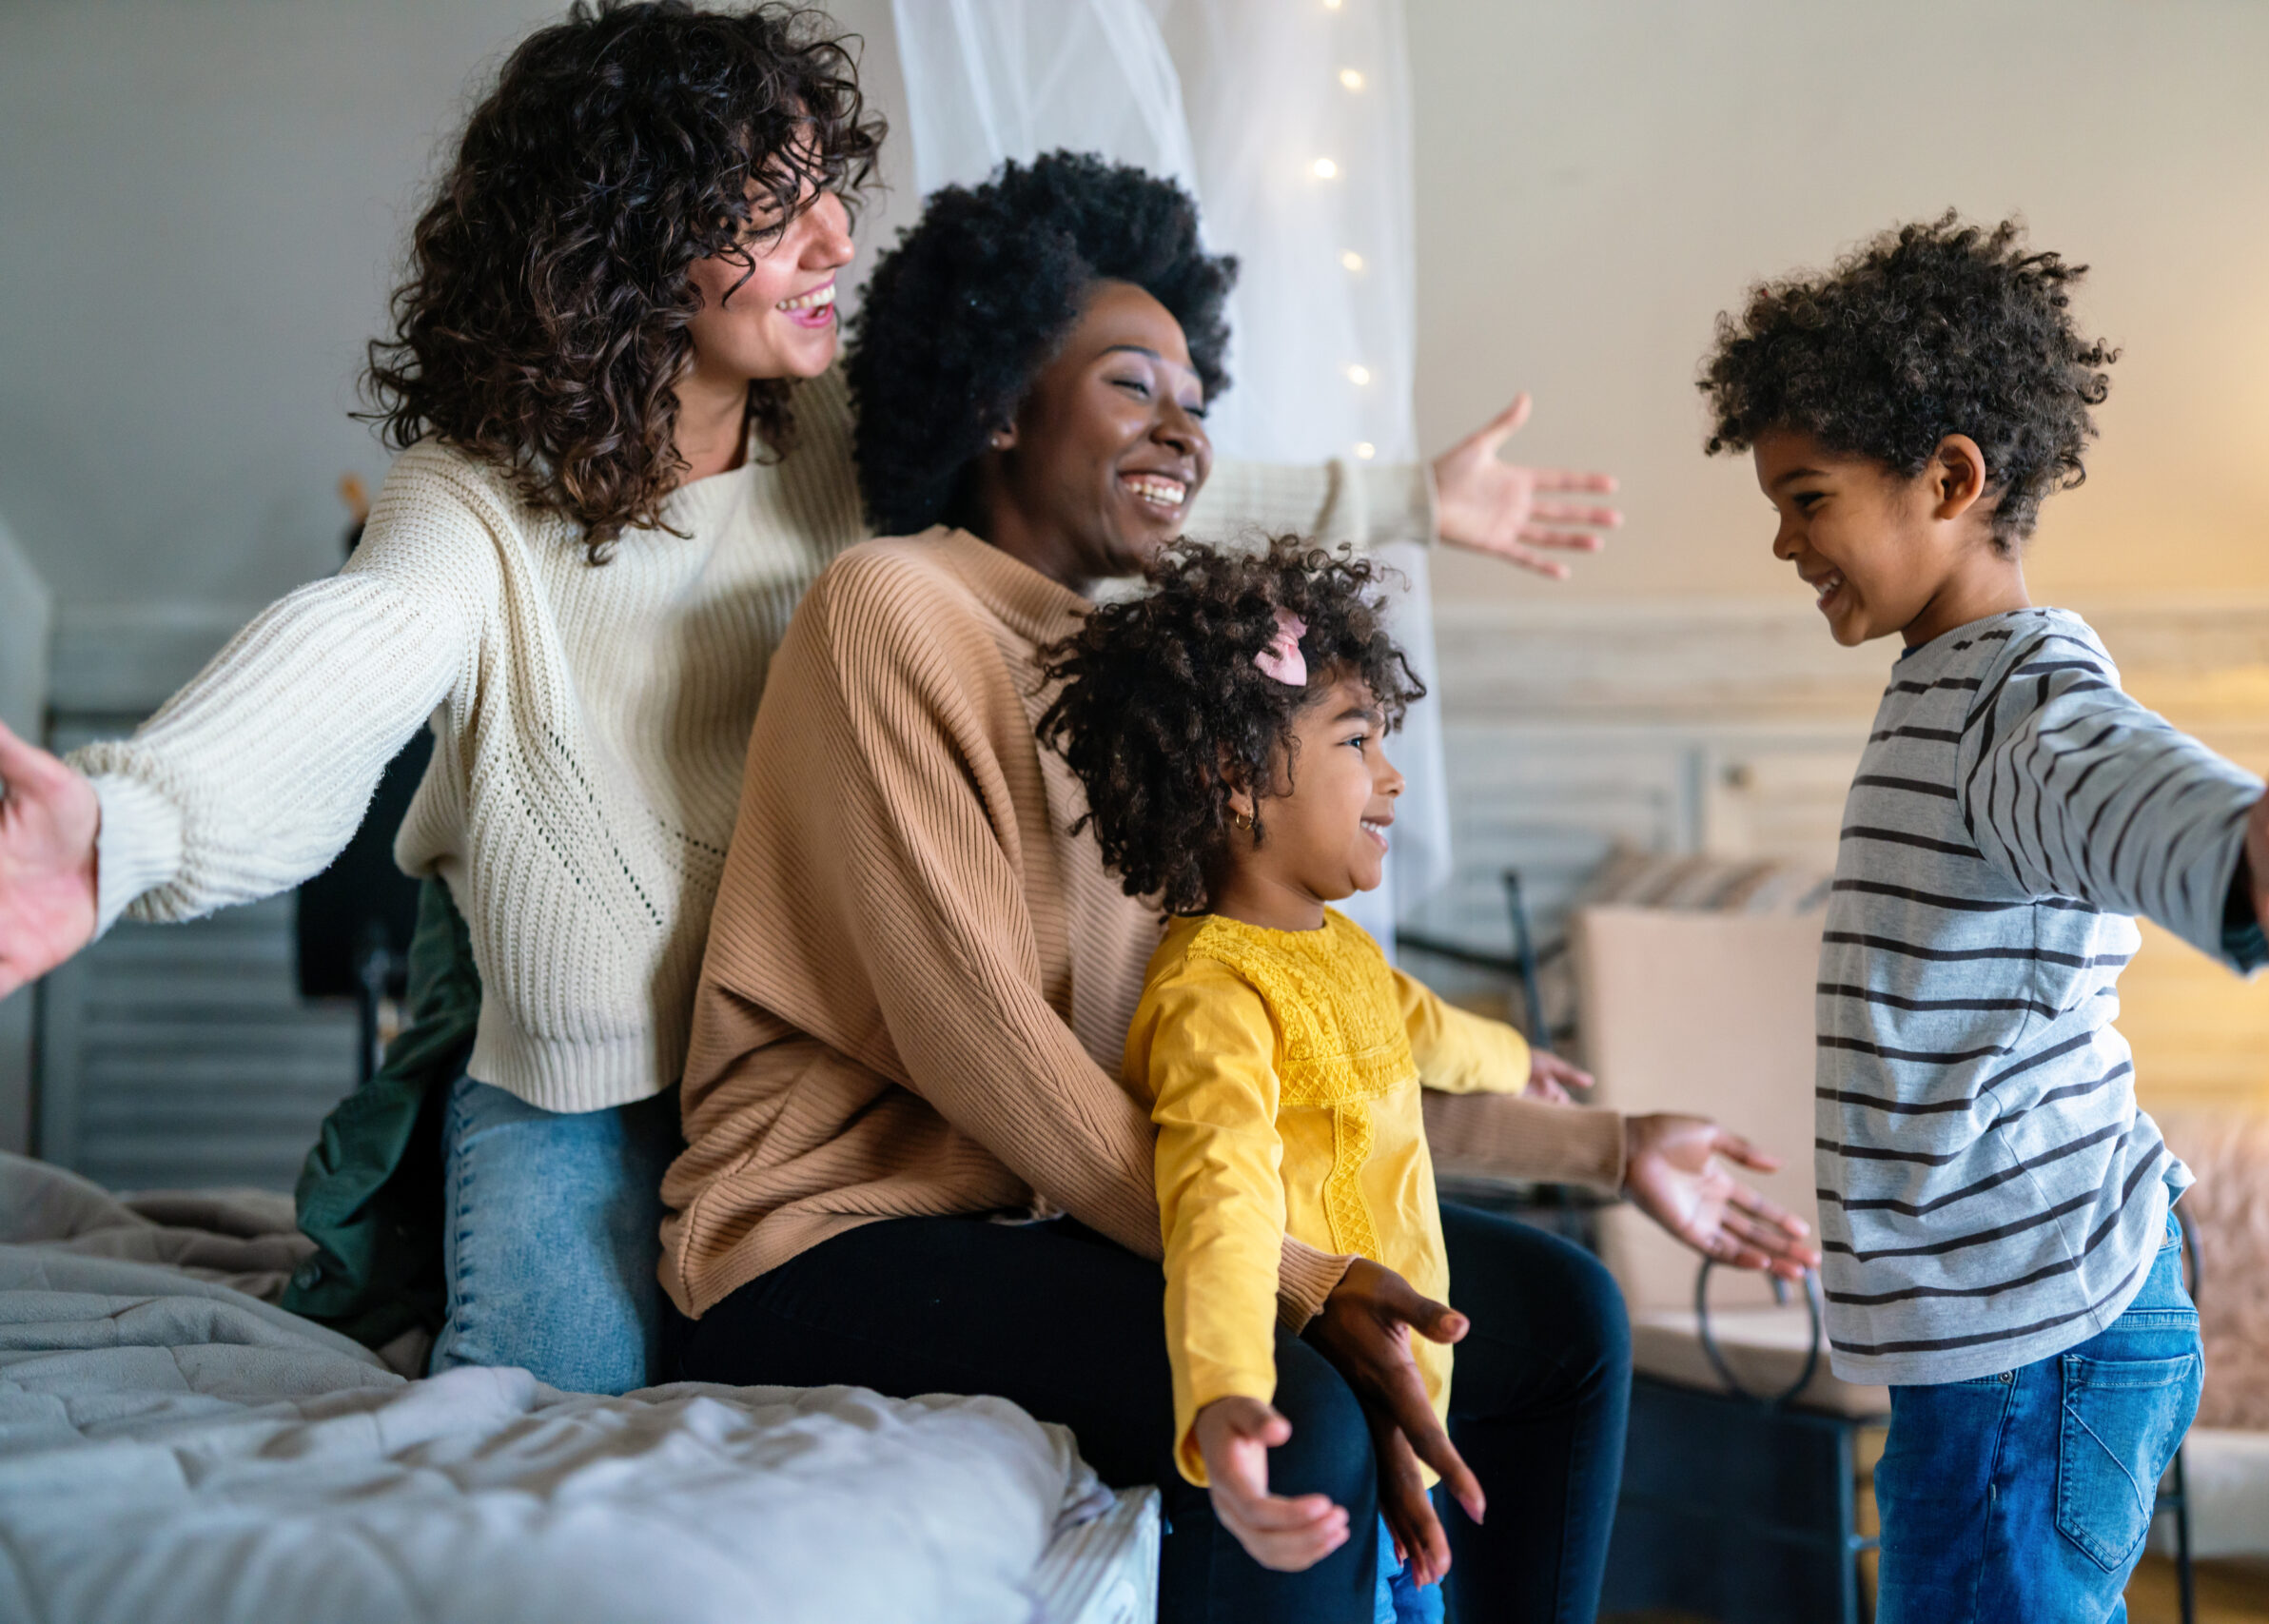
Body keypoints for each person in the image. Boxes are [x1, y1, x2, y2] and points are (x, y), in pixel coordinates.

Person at [0, 4, 1624, 1393]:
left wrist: (1406, 494)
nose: (838, 239)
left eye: (825, 195)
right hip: (591, 1089)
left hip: (814, 1076)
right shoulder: (474, 501)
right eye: (775, 211)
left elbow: (1114, 467)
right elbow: (346, 655)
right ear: (624, 243)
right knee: (554, 1434)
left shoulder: (843, 428)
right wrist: (123, 825)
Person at [661, 149, 1818, 1624]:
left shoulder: (1146, 693)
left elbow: (1272, 1057)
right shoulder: (889, 608)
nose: (1184, 429)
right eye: (1136, 384)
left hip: (1061, 1215)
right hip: (828, 1239)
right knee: (1303, 1400)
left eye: (1199, 399)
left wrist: (1607, 1146)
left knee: (1562, 1314)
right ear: (1001, 401)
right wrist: (1293, 1272)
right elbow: (989, 1055)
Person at [1697, 213, 2269, 1624]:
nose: (1780, 538)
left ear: (1950, 477)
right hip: (2000, 1330)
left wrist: (2247, 853)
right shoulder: (1943, 676)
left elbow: (2115, 780)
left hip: (2034, 1329)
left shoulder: (2018, 689)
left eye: (1807, 496)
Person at [1035, 536, 1608, 1619]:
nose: (1392, 776)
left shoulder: (1340, 949)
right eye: (1356, 739)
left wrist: (1514, 1060)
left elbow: (1422, 1026)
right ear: (1235, 780)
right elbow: (1216, 1204)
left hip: (1409, 1429)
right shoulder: (1210, 992)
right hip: (1331, 1434)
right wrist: (1225, 1398)